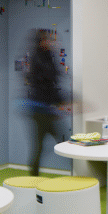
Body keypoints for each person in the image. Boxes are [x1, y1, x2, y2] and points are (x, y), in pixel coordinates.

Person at [24, 29, 67, 176]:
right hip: (40, 111)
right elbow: (46, 85)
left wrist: (59, 104)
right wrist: (60, 101)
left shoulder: (49, 57)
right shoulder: (38, 60)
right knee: (42, 146)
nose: (51, 42)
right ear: (41, 42)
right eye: (47, 40)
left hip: (48, 110)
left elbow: (53, 82)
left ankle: (79, 172)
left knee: (62, 142)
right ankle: (33, 178)